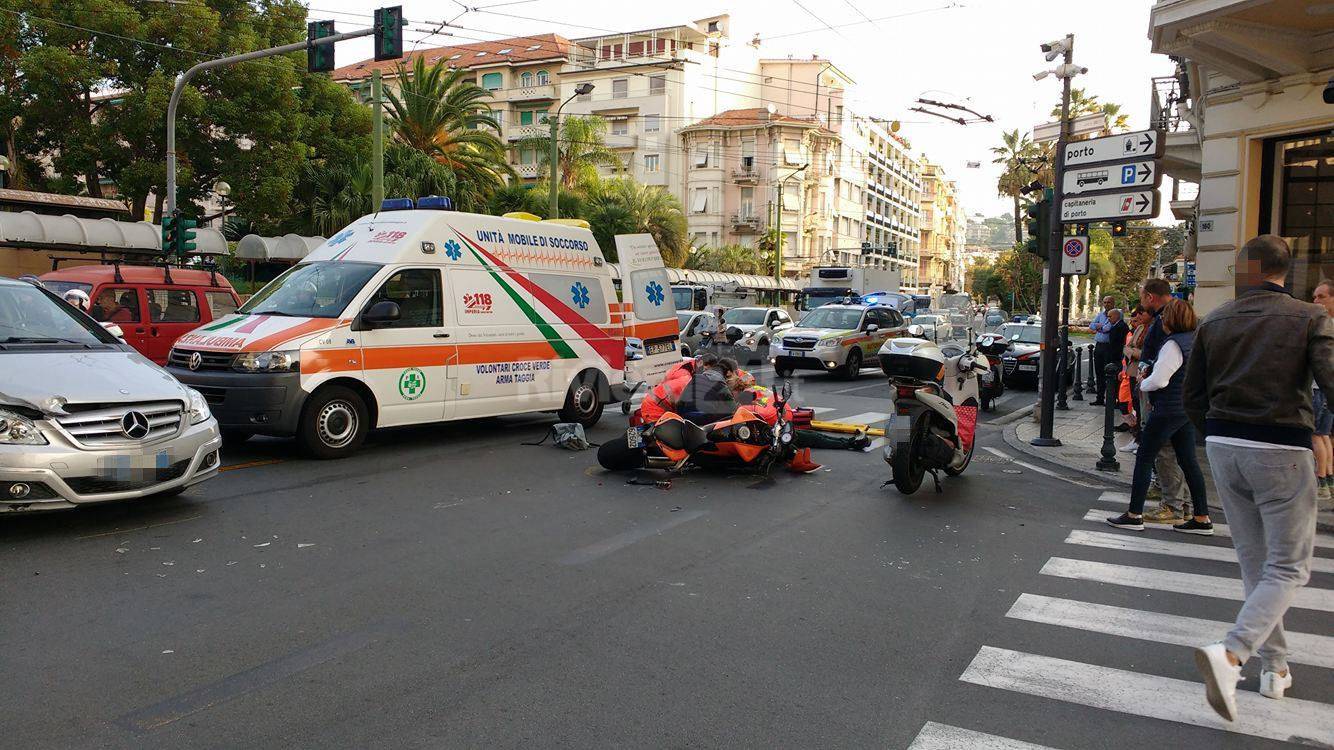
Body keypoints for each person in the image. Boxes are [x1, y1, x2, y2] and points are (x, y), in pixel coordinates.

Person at [1184, 235, 1334, 721]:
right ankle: (1232, 653)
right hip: (1281, 446)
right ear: (1285, 273)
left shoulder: (1215, 319)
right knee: (1290, 567)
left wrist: (1215, 434)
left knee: (1258, 565)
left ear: (1247, 270)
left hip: (1225, 447)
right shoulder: (1309, 317)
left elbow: (1193, 394)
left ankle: (1275, 667)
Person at [1107, 298, 1211, 534]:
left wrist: (1144, 383)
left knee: (1144, 457)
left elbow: (1160, 379)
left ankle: (1134, 514)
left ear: (1171, 319)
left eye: (1164, 317)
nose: (1161, 321)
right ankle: (1202, 516)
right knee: (1188, 460)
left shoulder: (1172, 344)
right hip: (1184, 408)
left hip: (1167, 407)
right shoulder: (1195, 340)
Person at [1311, 280, 1334, 504]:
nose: (1316, 301)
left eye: (1321, 296)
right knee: (1324, 435)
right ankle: (1328, 478)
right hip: (1327, 388)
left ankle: (1321, 481)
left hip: (1320, 387)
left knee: (1317, 434)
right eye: (1315, 296)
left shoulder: (1327, 325)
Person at [1088, 295, 1117, 405]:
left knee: (1108, 373)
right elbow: (1091, 325)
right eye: (1104, 302)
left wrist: (1099, 327)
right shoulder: (1100, 315)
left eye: (1109, 302)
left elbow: (1106, 328)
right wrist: (1099, 327)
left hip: (1109, 347)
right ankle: (1100, 398)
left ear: (1113, 303)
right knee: (1099, 373)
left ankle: (1110, 399)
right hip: (1099, 346)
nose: (1106, 305)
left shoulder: (1116, 314)